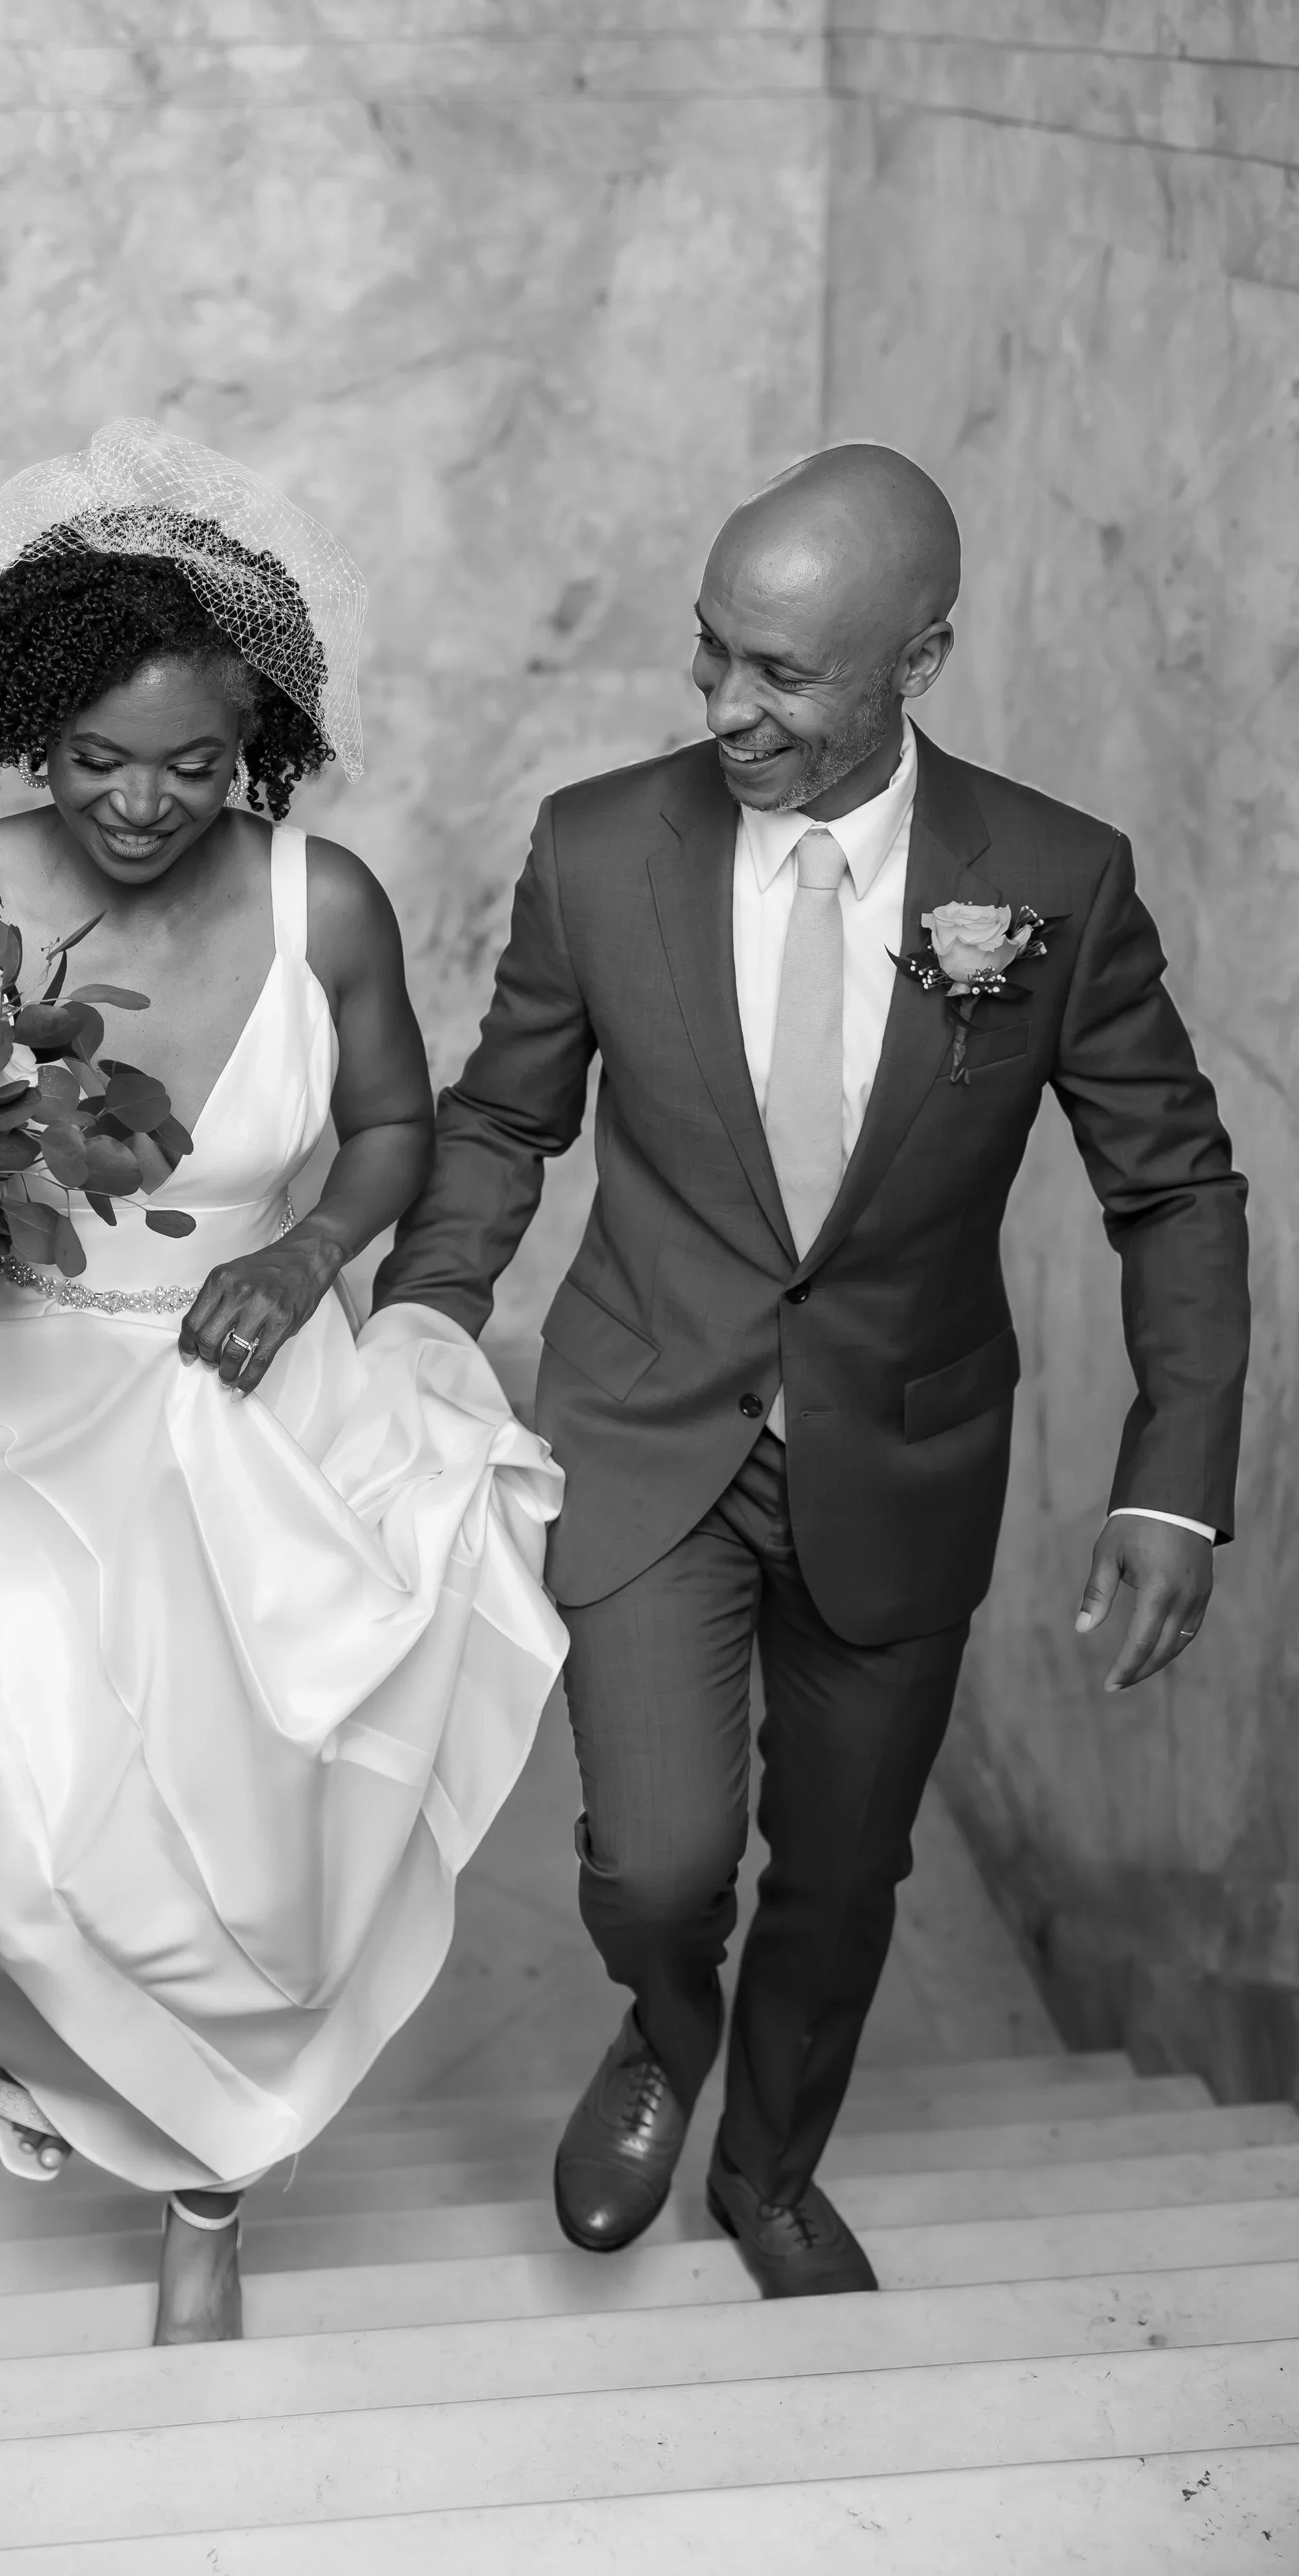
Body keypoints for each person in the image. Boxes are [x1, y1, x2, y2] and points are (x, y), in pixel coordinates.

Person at [373, 442, 1250, 2298]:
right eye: (709, 655)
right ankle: (661, 2028)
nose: (723, 707)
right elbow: (499, 1118)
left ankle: (765, 2169)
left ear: (915, 659)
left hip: (904, 1452)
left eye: (779, 673)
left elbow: (1172, 1186)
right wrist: (425, 1314)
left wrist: (1171, 1473)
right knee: (659, 1865)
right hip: (642, 1422)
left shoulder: (1051, 881)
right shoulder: (599, 844)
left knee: (842, 1877)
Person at [0, 422, 566, 2344]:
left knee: (241, 1863)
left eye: (196, 762)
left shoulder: (332, 907)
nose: (143, 804)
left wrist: (302, 1259)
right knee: (35, 1849)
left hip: (240, 1422)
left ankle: (205, 2187)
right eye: (95, 759)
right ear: (26, 732)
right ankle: (58, 2029)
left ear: (260, 746)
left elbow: (396, 1129)